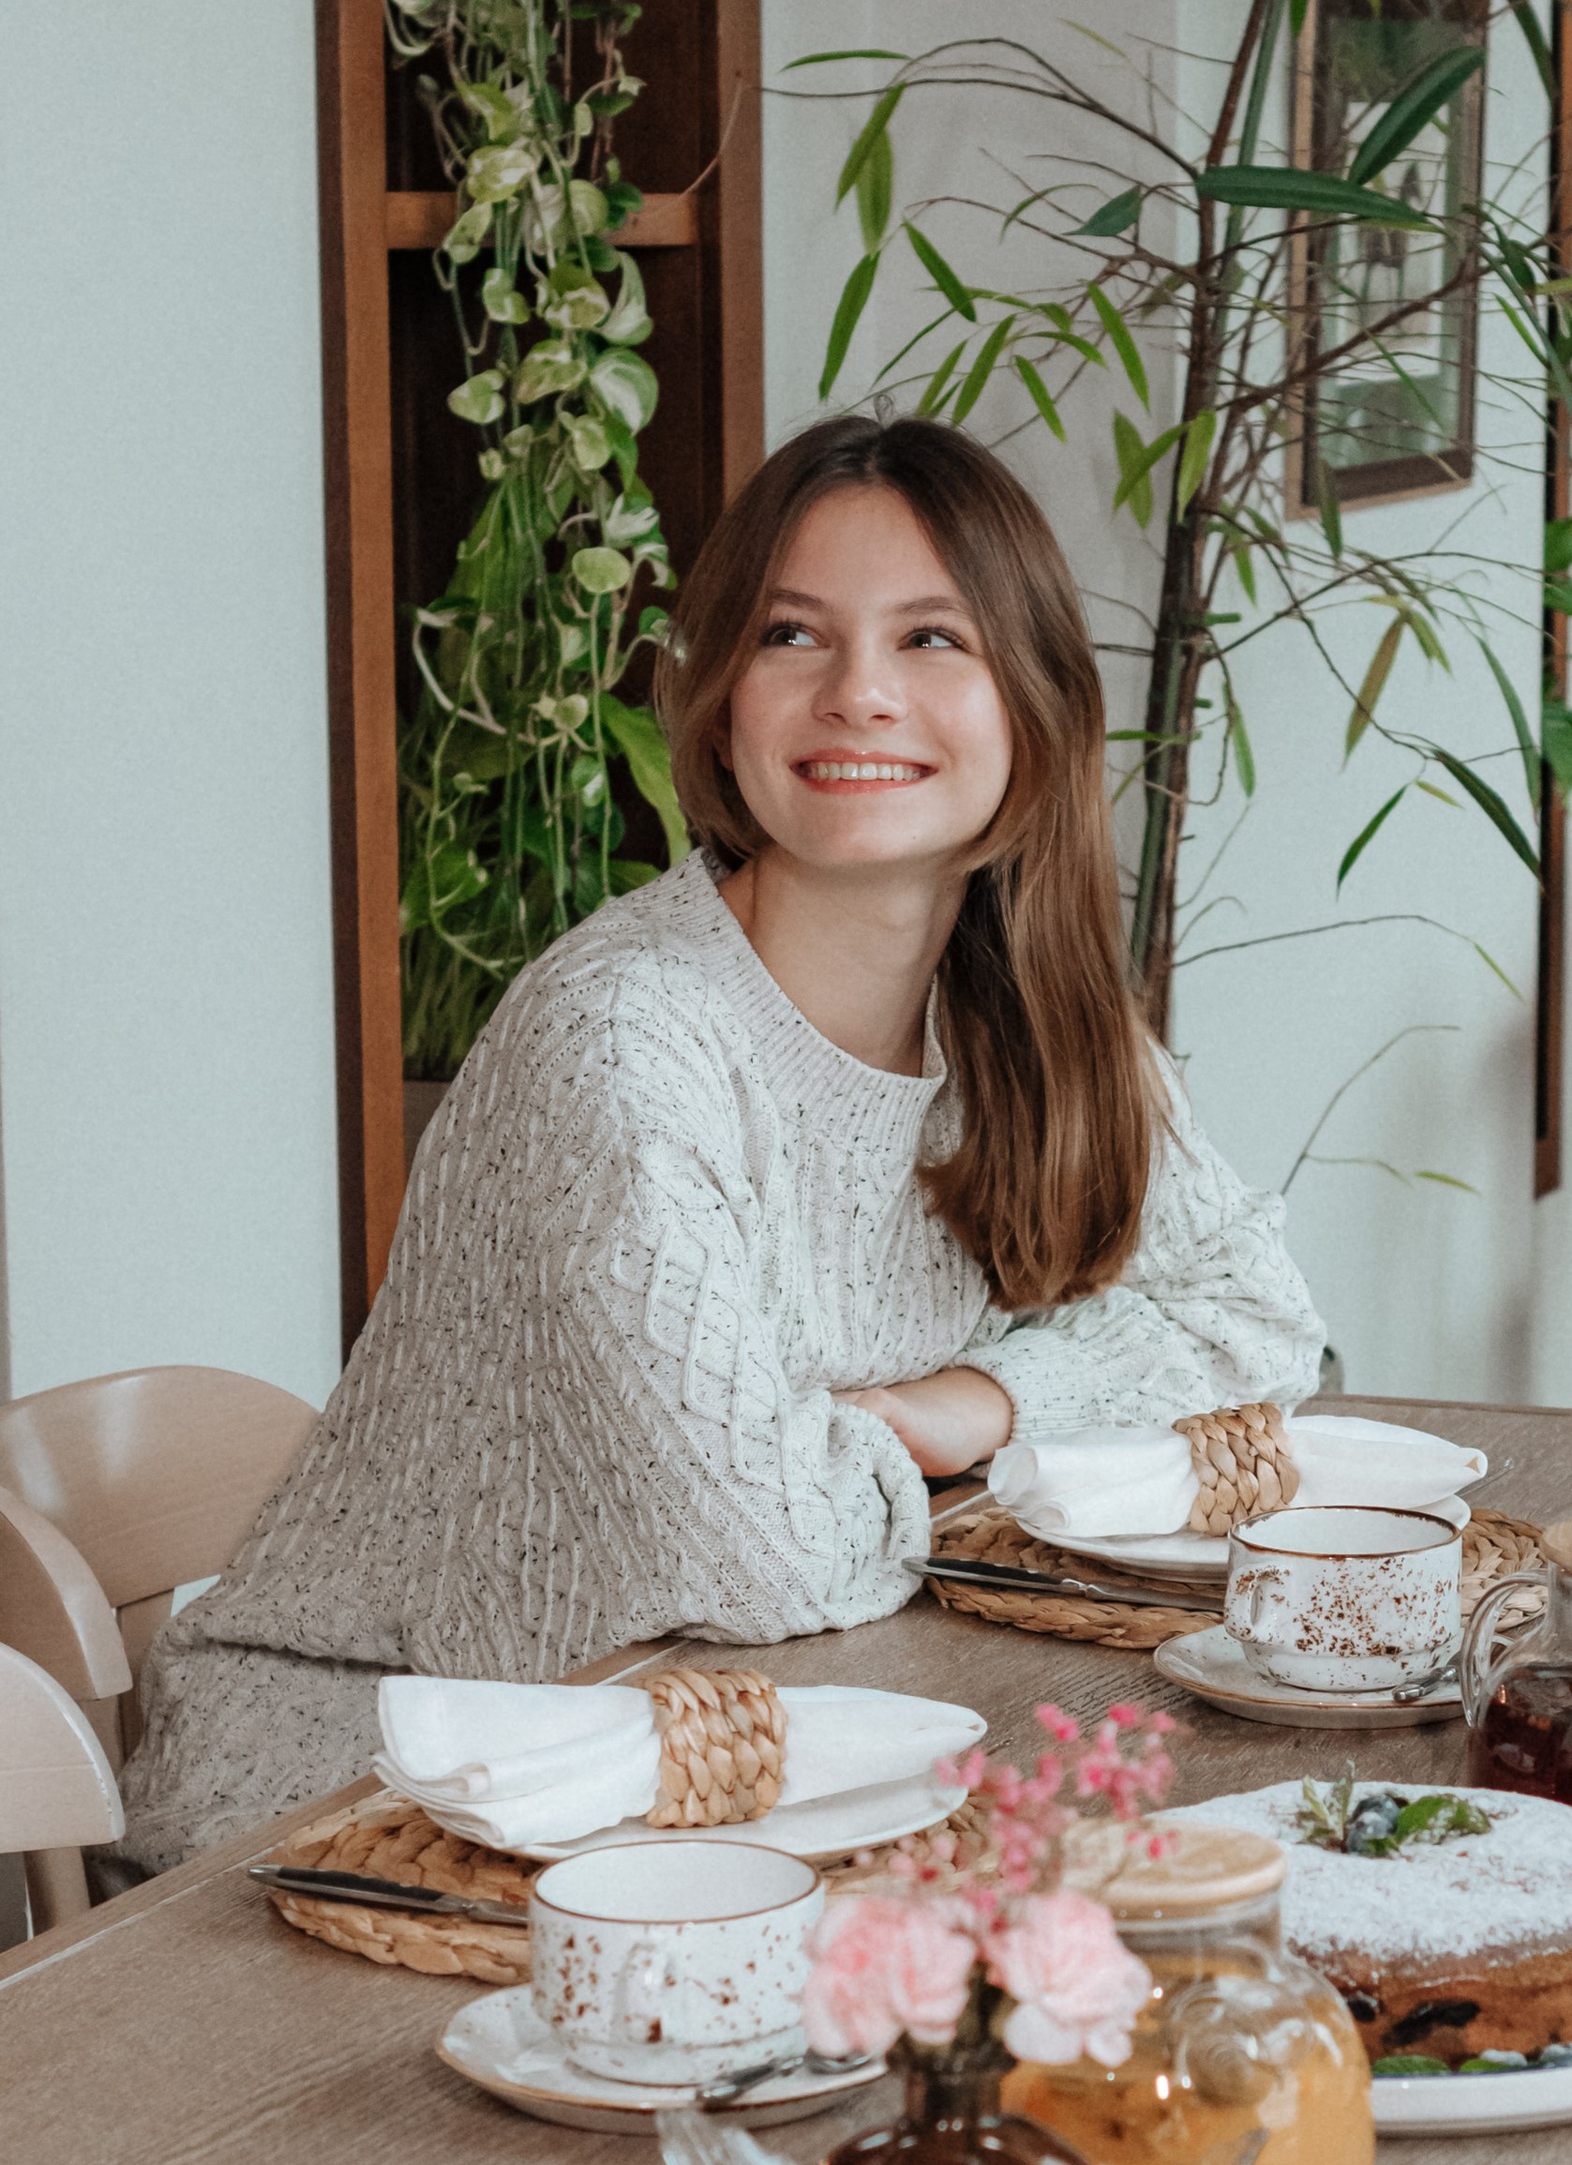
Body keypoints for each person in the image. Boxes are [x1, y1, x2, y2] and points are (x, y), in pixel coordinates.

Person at [122, 414, 1324, 1870]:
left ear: (1038, 704)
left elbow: (1262, 1327)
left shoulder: (1032, 1005)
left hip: (723, 1758)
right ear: (720, 700)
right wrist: (957, 1457)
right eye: (793, 637)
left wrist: (978, 1406)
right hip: (389, 1799)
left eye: (933, 638)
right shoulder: (626, 1045)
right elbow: (768, 1558)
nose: (860, 696)